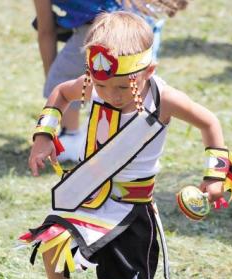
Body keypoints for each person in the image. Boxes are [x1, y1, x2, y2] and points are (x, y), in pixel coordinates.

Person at [22, 11, 227, 279]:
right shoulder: (94, 84)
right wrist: (43, 136)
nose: (112, 95)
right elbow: (60, 94)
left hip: (132, 211)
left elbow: (209, 123)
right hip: (86, 197)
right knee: (51, 240)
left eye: (122, 87)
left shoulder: (163, 99)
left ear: (150, 69)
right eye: (105, 86)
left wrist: (215, 176)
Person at [32, 0, 189, 162]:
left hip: (101, 28)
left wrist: (53, 77)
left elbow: (46, 32)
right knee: (133, 89)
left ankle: (71, 136)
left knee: (64, 76)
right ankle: (127, 136)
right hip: (142, 26)